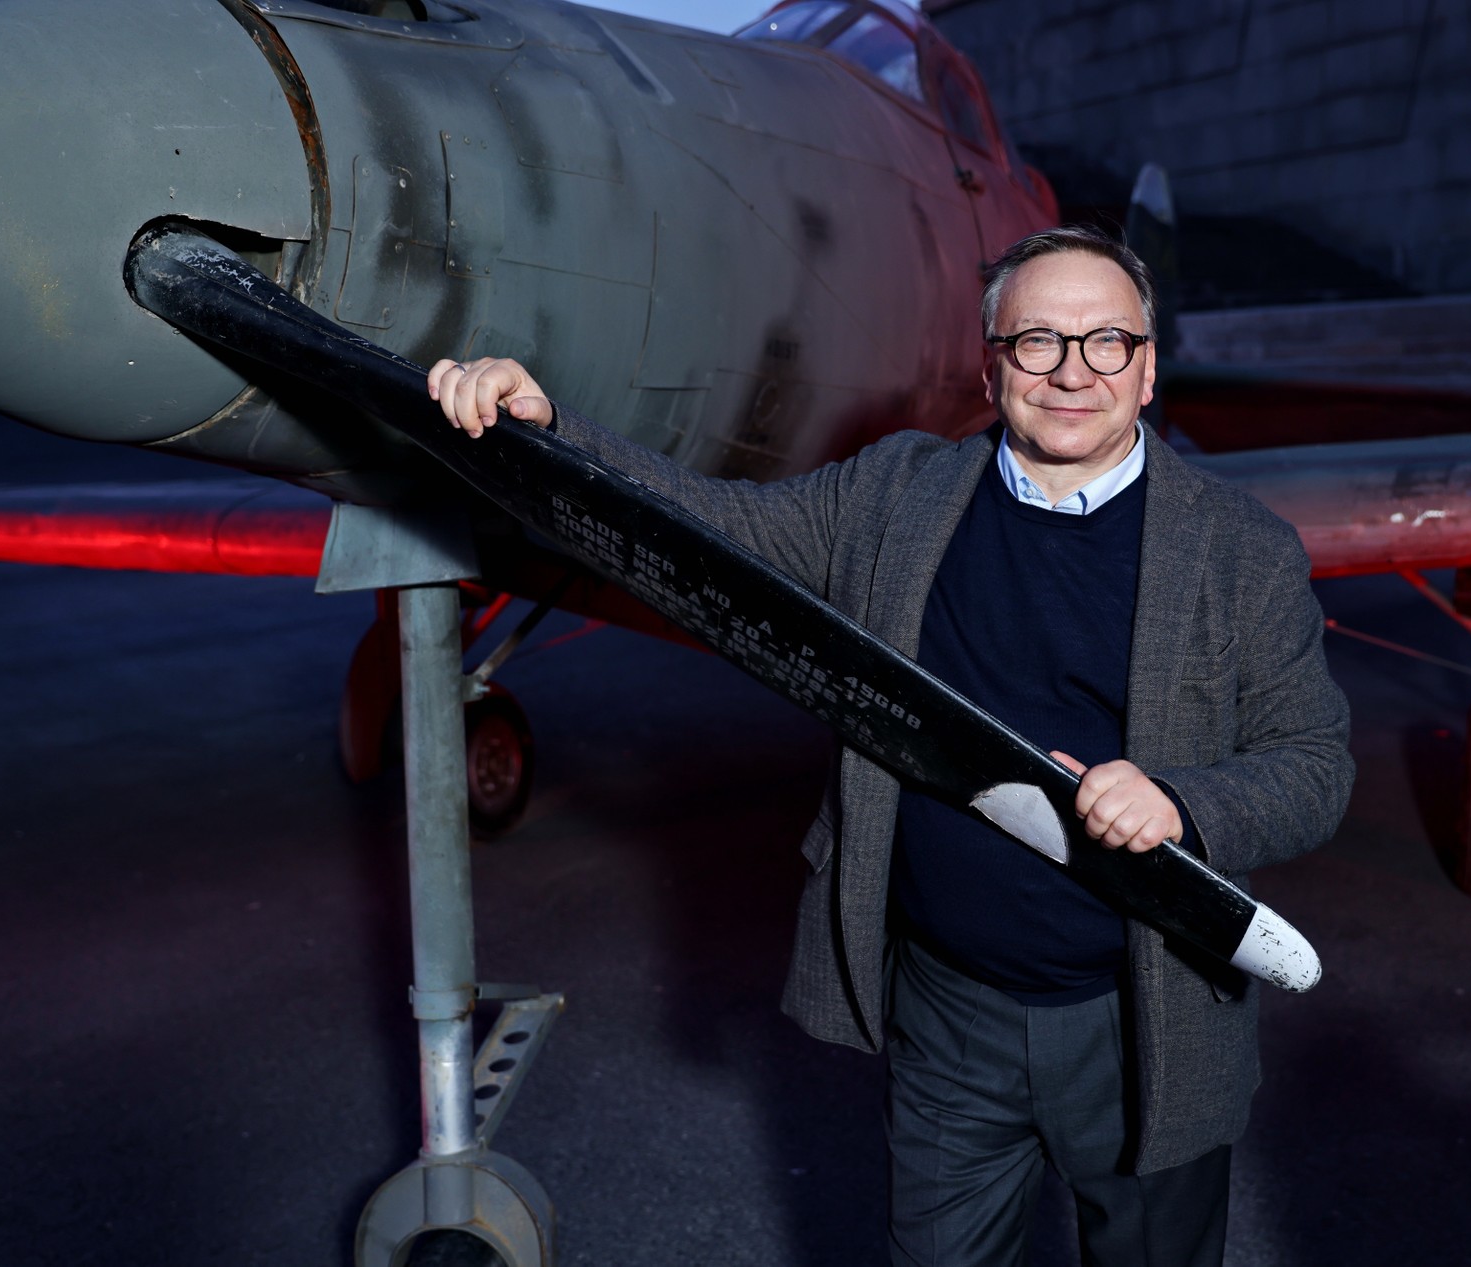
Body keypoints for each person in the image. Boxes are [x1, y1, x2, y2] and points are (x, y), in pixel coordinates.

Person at [428, 224, 1353, 1266]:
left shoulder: (1240, 549)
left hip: (1144, 1020)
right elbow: (710, 526)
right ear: (991, 366)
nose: (1071, 372)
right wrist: (551, 430)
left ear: (1146, 371)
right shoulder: (895, 496)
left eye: (1106, 342)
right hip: (948, 1014)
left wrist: (1180, 803)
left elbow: (1315, 766)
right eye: (1037, 341)